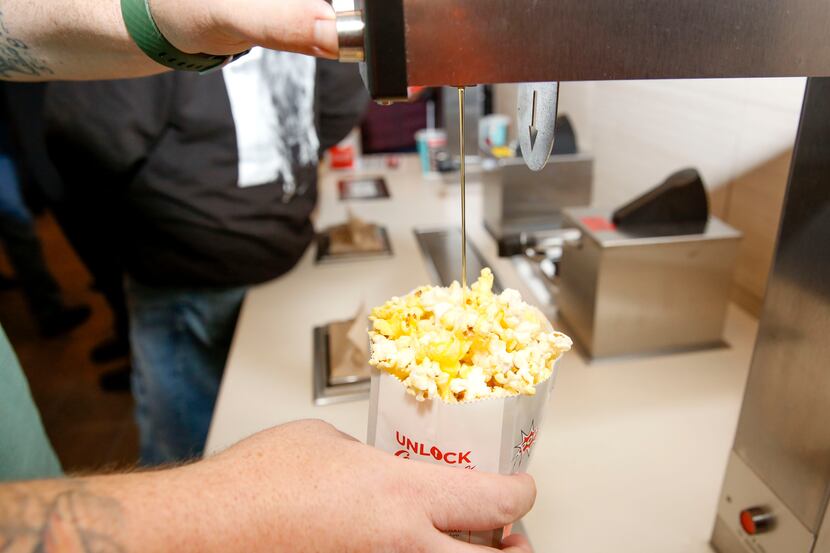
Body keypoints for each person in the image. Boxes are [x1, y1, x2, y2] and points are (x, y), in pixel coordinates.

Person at [0, 0, 537, 549]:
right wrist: (154, 220)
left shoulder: (310, 15)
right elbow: (84, 137)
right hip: (181, 278)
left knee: (254, 416)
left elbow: (333, 105)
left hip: (283, 264)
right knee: (181, 441)